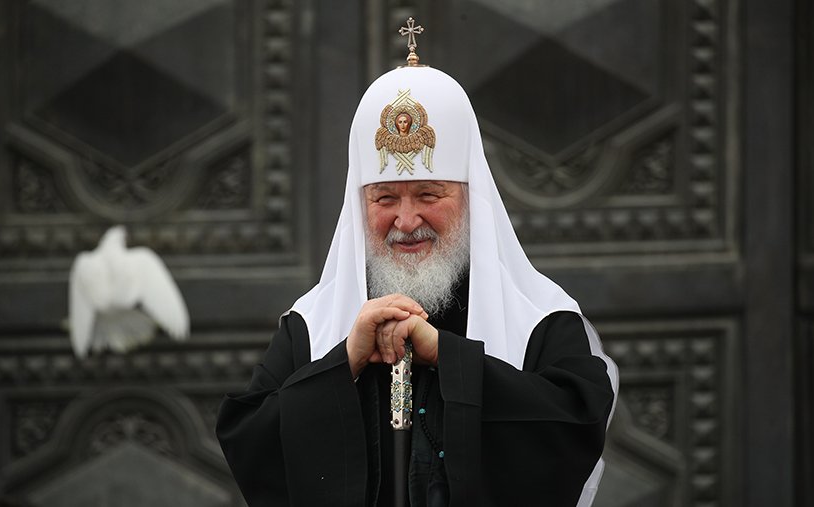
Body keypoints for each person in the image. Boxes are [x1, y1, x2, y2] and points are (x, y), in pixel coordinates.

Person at [216, 47, 617, 507]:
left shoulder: (538, 318)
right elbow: (249, 442)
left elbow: (577, 427)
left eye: (428, 194)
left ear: (470, 197)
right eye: (384, 198)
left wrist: (449, 357)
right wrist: (343, 363)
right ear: (360, 204)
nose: (406, 221)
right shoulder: (311, 324)